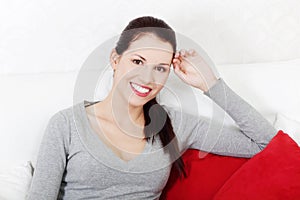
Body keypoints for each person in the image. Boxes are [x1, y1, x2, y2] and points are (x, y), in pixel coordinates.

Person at [26, 16, 277, 199]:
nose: (147, 78)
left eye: (160, 68)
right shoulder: (67, 125)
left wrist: (211, 84)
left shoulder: (176, 124)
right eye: (137, 61)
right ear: (115, 59)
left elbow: (266, 145)